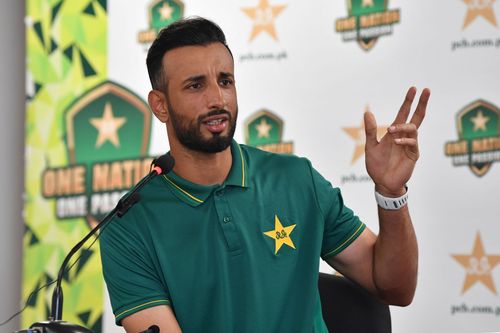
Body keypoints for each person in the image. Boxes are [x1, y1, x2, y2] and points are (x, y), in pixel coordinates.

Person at [99, 17, 430, 333]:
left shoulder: (297, 179)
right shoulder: (129, 226)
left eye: (225, 81)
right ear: (160, 106)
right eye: (195, 85)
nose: (217, 99)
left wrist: (391, 191)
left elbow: (396, 288)